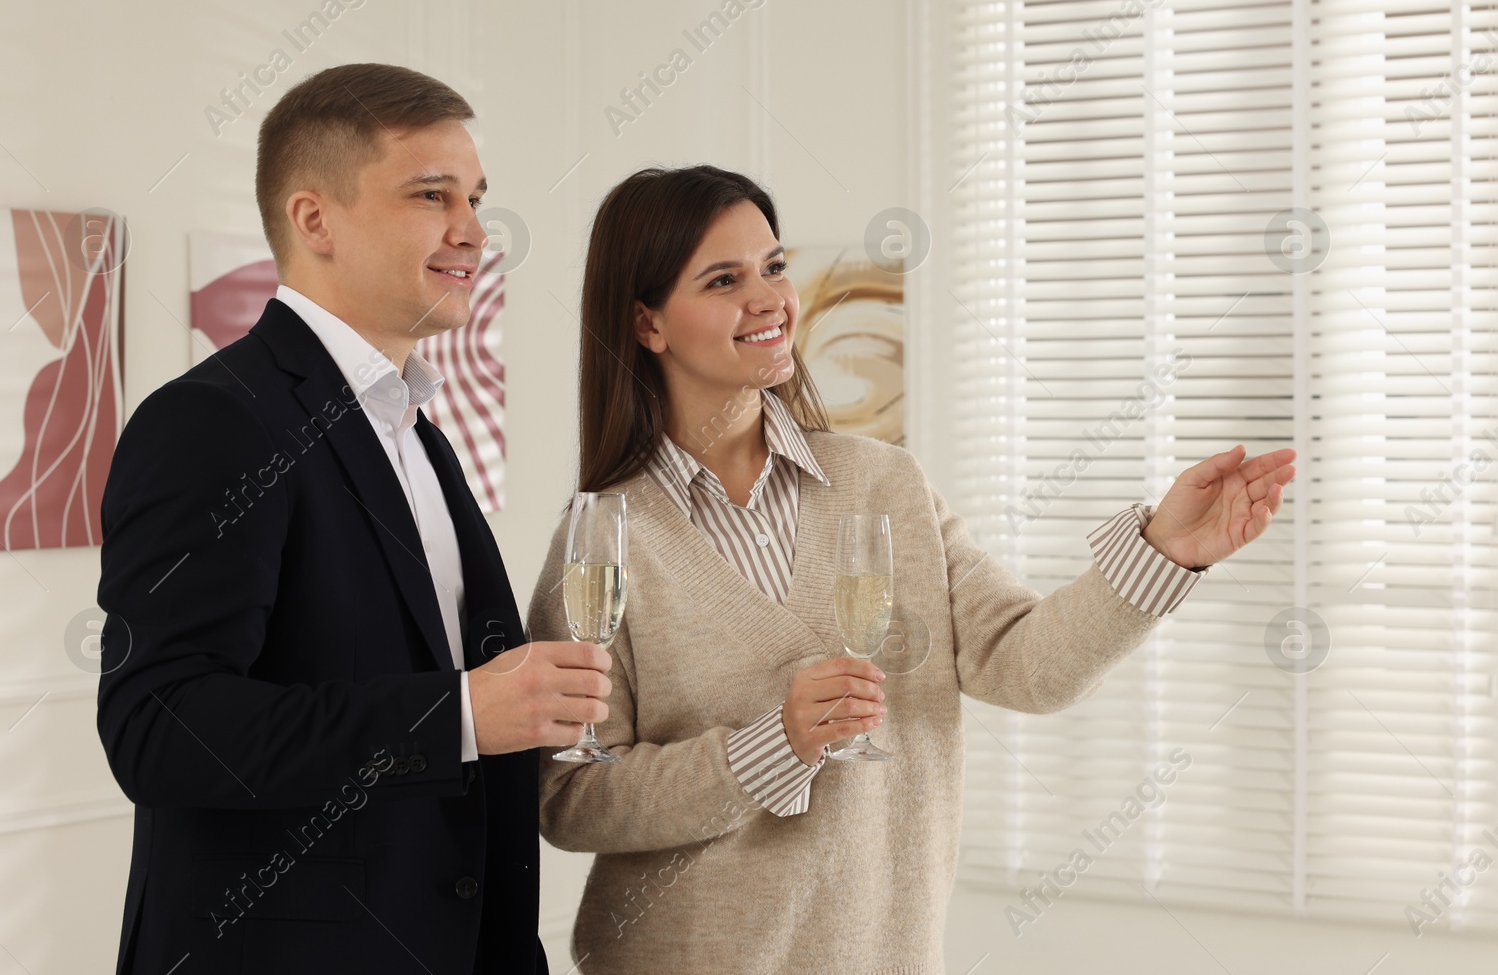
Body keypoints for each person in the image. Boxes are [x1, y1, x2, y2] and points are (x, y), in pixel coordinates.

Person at [528, 164, 1296, 973]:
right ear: (647, 325)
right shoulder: (606, 536)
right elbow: (571, 797)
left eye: (775, 267)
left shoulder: (884, 480)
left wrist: (1163, 552)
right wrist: (770, 745)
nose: (769, 299)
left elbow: (1027, 665)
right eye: (725, 279)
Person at [95, 63, 611, 975]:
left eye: (476, 198)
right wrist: (457, 712)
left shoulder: (420, 434)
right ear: (314, 219)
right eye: (431, 195)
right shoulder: (212, 420)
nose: (473, 232)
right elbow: (161, 727)